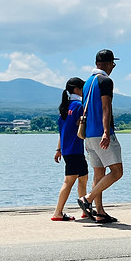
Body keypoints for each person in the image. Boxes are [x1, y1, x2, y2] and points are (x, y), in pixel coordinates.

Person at [77, 49, 123, 224]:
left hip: (88, 135)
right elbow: (106, 107)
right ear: (109, 63)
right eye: (113, 64)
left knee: (99, 171)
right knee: (117, 172)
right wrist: (106, 131)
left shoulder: (88, 82)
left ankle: (100, 212)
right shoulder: (106, 81)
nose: (113, 67)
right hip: (101, 133)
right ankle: (87, 199)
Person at [52, 77, 88, 221]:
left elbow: (62, 132)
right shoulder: (79, 107)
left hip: (68, 150)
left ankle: (85, 209)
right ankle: (58, 212)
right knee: (69, 181)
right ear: (76, 89)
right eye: (82, 88)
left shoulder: (64, 109)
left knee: (83, 177)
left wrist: (58, 149)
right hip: (75, 150)